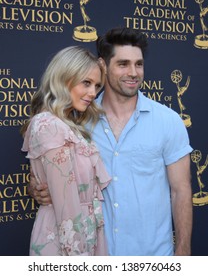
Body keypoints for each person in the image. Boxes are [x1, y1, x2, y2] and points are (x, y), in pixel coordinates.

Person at [28, 27, 193, 256]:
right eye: (123, 64)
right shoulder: (76, 124)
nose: (133, 72)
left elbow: (181, 190)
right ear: (103, 66)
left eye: (139, 64)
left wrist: (184, 251)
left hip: (153, 257)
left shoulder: (169, 121)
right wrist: (39, 189)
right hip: (96, 254)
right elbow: (57, 176)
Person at [21, 46, 111, 256]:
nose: (93, 93)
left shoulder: (68, 124)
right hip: (66, 239)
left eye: (97, 85)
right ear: (64, 78)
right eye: (86, 83)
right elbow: (66, 209)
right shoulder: (49, 125)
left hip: (86, 232)